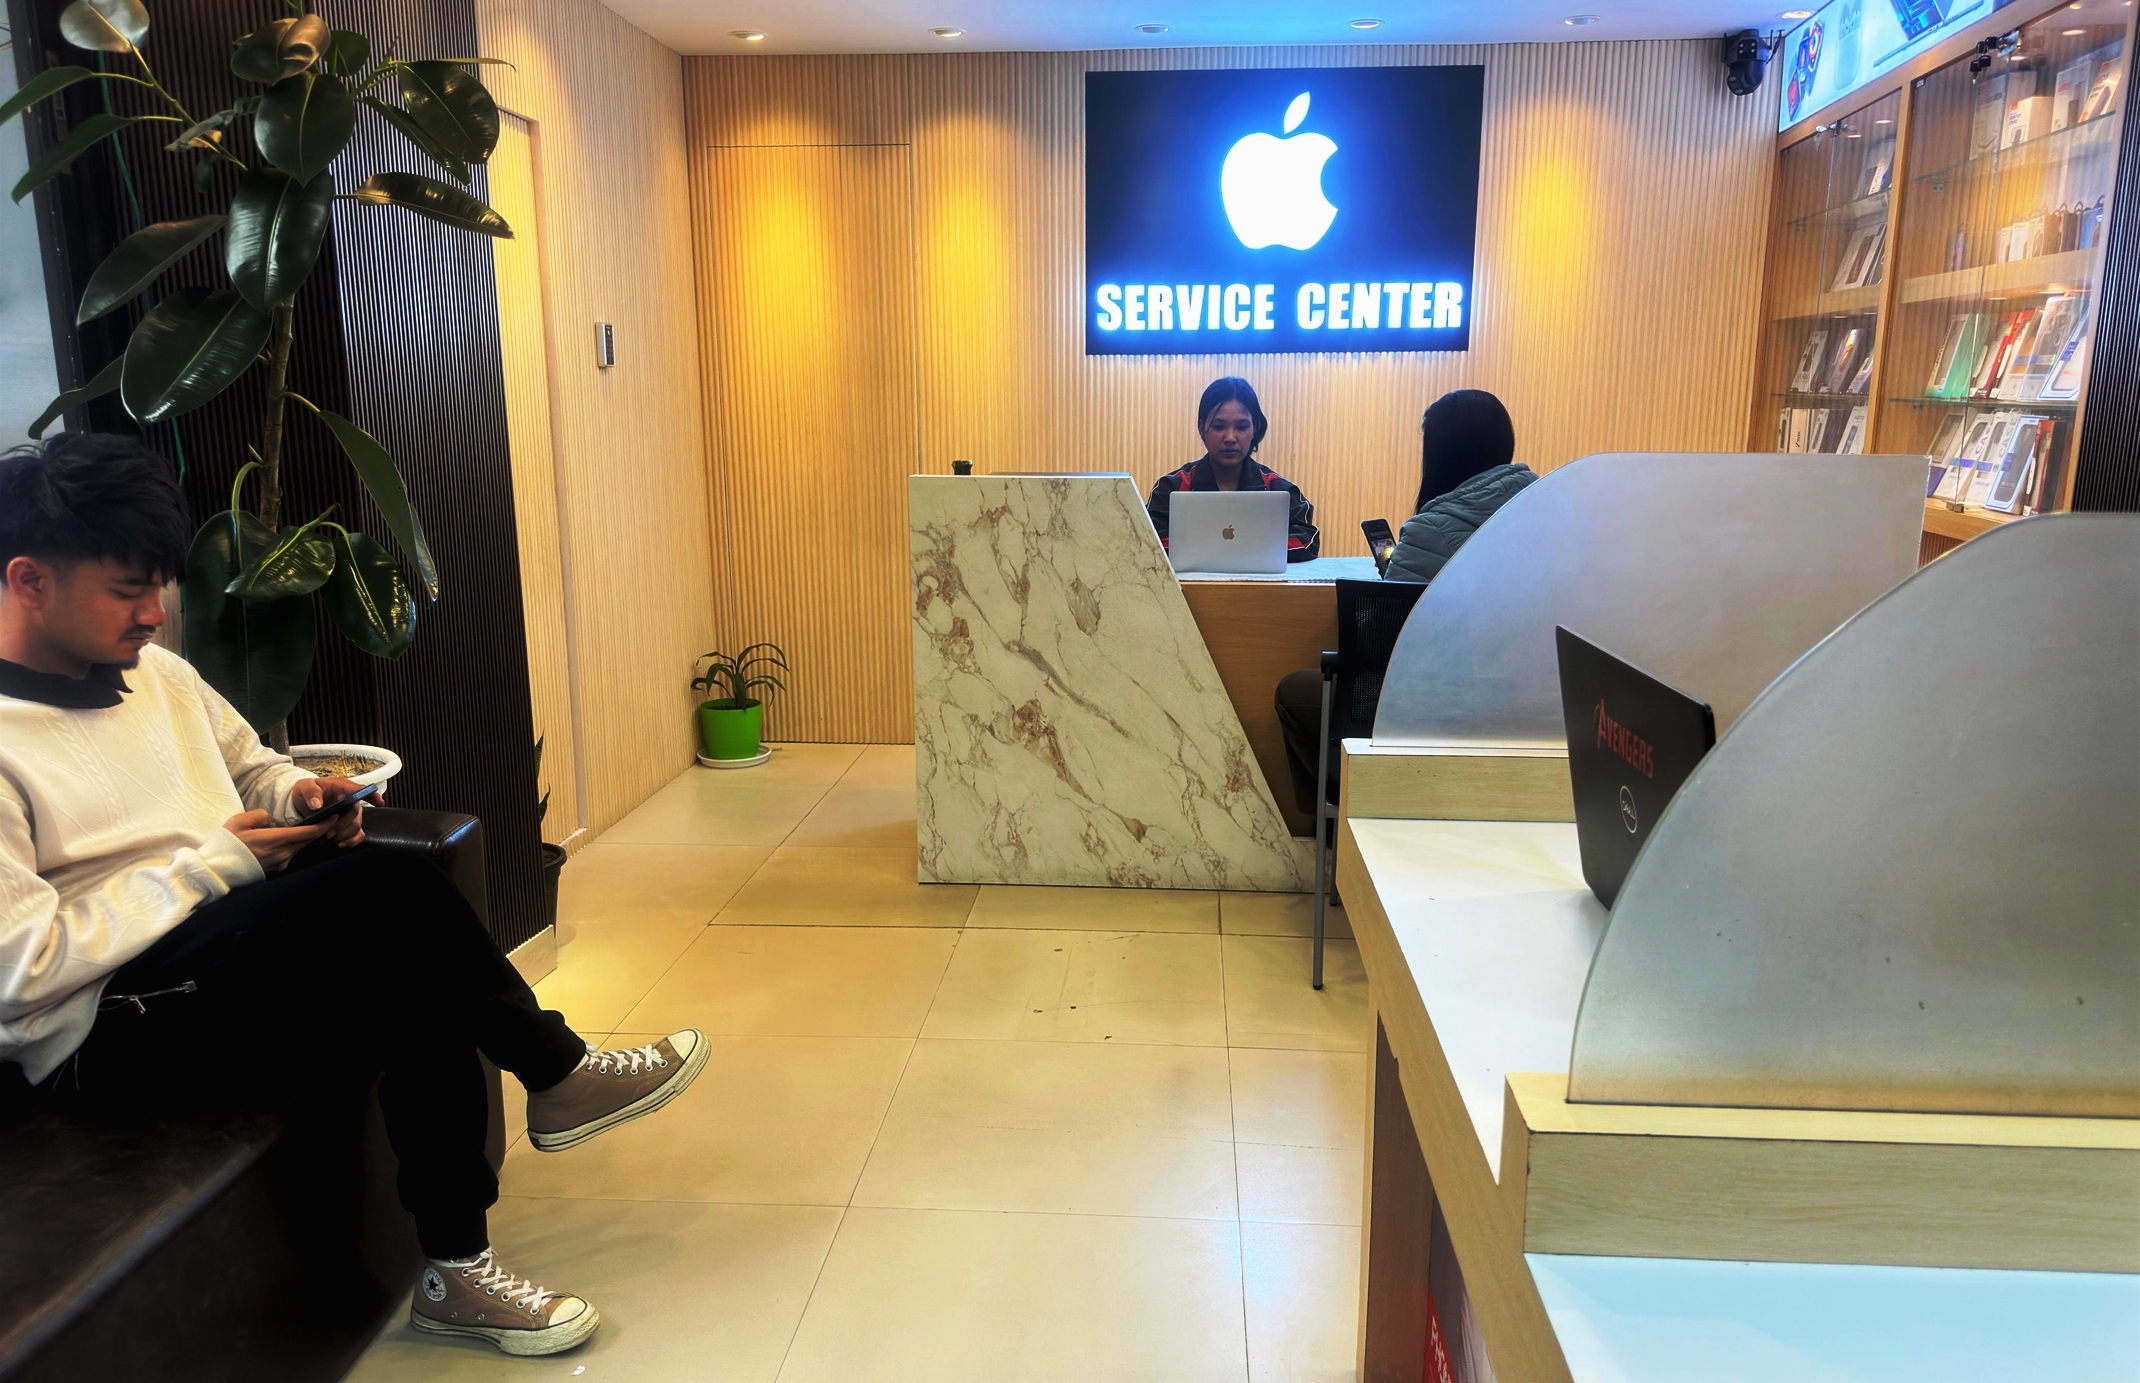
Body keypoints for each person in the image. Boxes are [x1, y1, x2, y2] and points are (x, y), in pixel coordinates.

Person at [0, 433, 703, 1358]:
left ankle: (457, 1270)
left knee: (418, 968)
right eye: (128, 589)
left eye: (160, 585)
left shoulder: (158, 675)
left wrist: (300, 796)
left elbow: (252, 765)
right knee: (393, 895)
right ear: (28, 580)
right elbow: (22, 971)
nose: (155, 612)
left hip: (222, 952)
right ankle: (556, 1071)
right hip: (106, 1026)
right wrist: (215, 863)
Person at [1272, 389, 1536, 813]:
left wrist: (1391, 585)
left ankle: (1347, 819)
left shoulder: (1430, 530)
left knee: (1294, 692)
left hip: (1441, 703)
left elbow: (1379, 642)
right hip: (1529, 704)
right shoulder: (1544, 509)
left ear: (1442, 454)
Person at [1146, 376, 1320, 561]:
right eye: (1219, 426)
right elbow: (1148, 543)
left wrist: (1225, 549)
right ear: (1201, 428)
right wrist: (1244, 549)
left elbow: (1307, 541)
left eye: (1241, 427)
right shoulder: (1171, 487)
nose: (1230, 437)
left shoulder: (1279, 490)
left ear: (1255, 428)